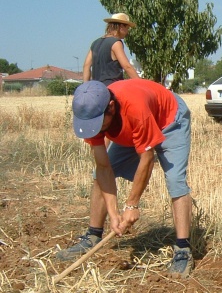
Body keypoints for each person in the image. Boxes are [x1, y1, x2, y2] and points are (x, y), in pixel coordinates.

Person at [56, 79, 194, 278]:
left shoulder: (135, 108)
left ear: (111, 107)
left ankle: (183, 250)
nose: (95, 129)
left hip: (170, 120)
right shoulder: (93, 116)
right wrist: (114, 213)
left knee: (175, 180)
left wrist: (131, 205)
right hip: (130, 128)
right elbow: (104, 168)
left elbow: (146, 160)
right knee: (98, 176)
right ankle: (93, 235)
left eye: (98, 123)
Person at [83, 13, 140, 85]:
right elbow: (127, 66)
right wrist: (141, 83)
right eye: (127, 28)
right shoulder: (116, 43)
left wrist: (86, 86)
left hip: (97, 87)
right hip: (112, 87)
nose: (127, 32)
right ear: (121, 27)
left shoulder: (95, 43)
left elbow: (86, 66)